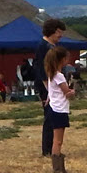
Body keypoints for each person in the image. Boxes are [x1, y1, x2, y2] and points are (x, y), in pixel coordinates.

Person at [35, 18, 66, 157]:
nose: (60, 35)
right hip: (47, 88)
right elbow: (42, 72)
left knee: (53, 117)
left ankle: (53, 148)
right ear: (51, 31)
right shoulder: (44, 47)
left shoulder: (51, 47)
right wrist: (49, 91)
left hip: (52, 88)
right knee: (50, 117)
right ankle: (48, 149)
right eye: (59, 32)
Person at [45, 46, 75, 173]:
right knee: (58, 141)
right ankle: (57, 169)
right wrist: (73, 91)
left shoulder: (52, 75)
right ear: (62, 59)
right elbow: (66, 93)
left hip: (55, 109)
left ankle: (59, 168)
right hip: (59, 110)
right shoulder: (60, 76)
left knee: (57, 140)